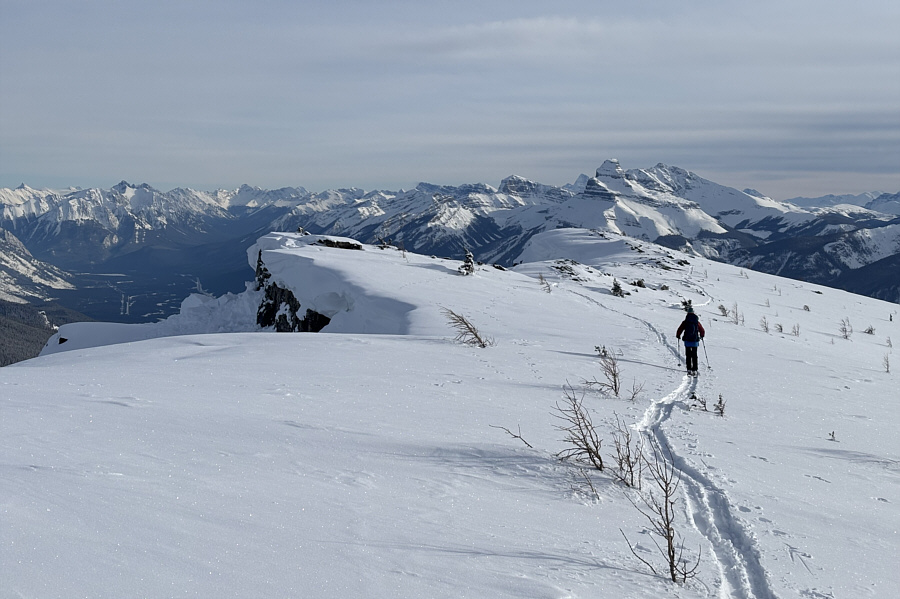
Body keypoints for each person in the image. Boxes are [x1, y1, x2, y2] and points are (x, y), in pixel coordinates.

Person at [677, 306, 705, 376]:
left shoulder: (685, 322)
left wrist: (678, 335)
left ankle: (689, 369)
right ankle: (695, 369)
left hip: (687, 340)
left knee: (688, 355)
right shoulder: (696, 322)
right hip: (695, 340)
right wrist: (702, 335)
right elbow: (702, 330)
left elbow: (680, 329)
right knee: (694, 355)